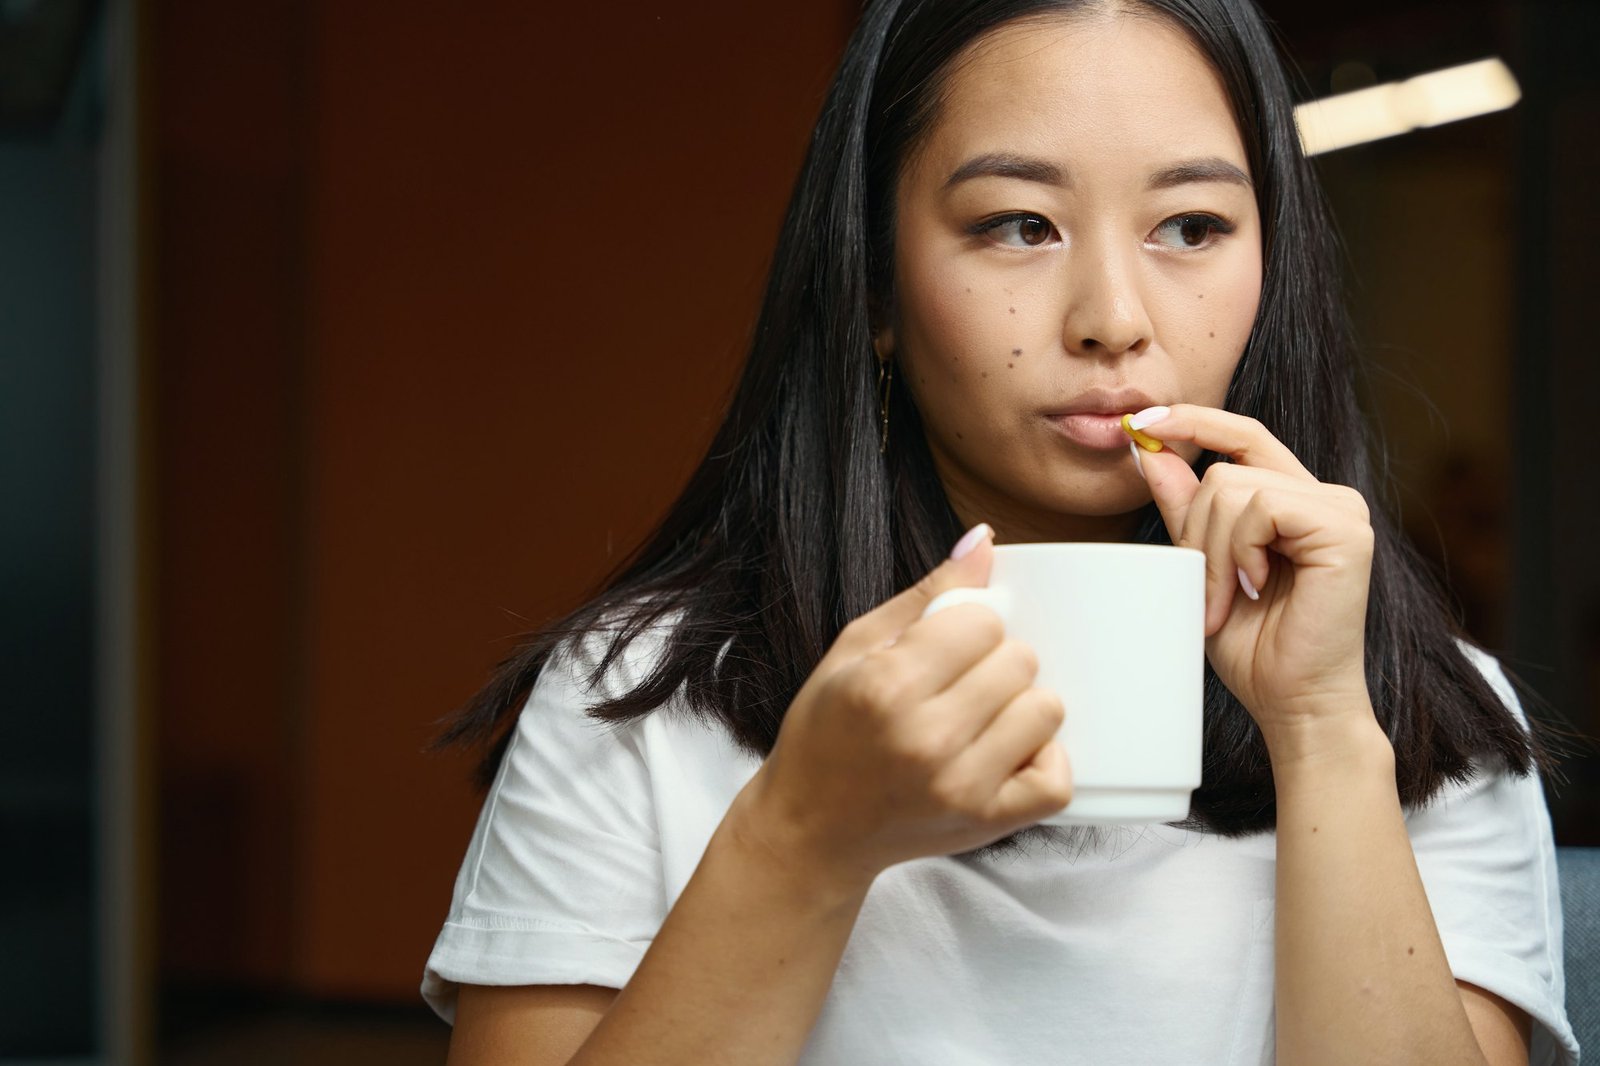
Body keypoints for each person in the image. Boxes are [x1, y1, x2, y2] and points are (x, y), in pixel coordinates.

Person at [422, 1, 1578, 1063]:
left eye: (1189, 225)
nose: (1114, 321)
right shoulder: (638, 702)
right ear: (873, 284)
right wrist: (798, 841)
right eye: (1019, 224)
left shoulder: (1419, 720)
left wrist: (1323, 734)